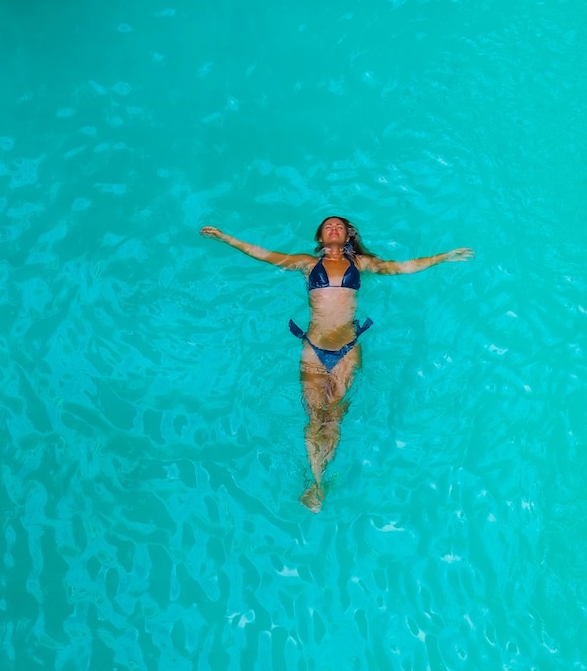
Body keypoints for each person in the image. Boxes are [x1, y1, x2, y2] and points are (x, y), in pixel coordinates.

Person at [201, 216, 474, 512]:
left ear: (347, 237)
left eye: (340, 226)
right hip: (314, 349)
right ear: (320, 238)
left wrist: (443, 257)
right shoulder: (307, 264)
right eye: (328, 226)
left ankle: (321, 481)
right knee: (313, 416)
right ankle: (316, 482)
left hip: (347, 351)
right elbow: (265, 254)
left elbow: (400, 267)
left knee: (333, 417)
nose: (334, 228)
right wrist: (226, 238)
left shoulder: (360, 264)